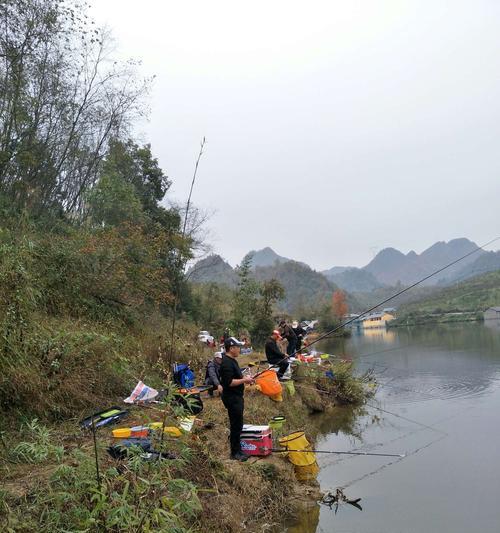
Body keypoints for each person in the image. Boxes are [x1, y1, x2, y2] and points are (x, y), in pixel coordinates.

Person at [220, 337, 255, 461]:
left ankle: (239, 450)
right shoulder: (226, 363)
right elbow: (229, 382)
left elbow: (236, 377)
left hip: (237, 397)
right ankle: (235, 453)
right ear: (231, 348)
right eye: (238, 347)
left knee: (238, 424)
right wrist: (244, 380)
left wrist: (245, 378)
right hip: (232, 398)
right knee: (235, 425)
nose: (239, 349)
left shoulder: (232, 360)